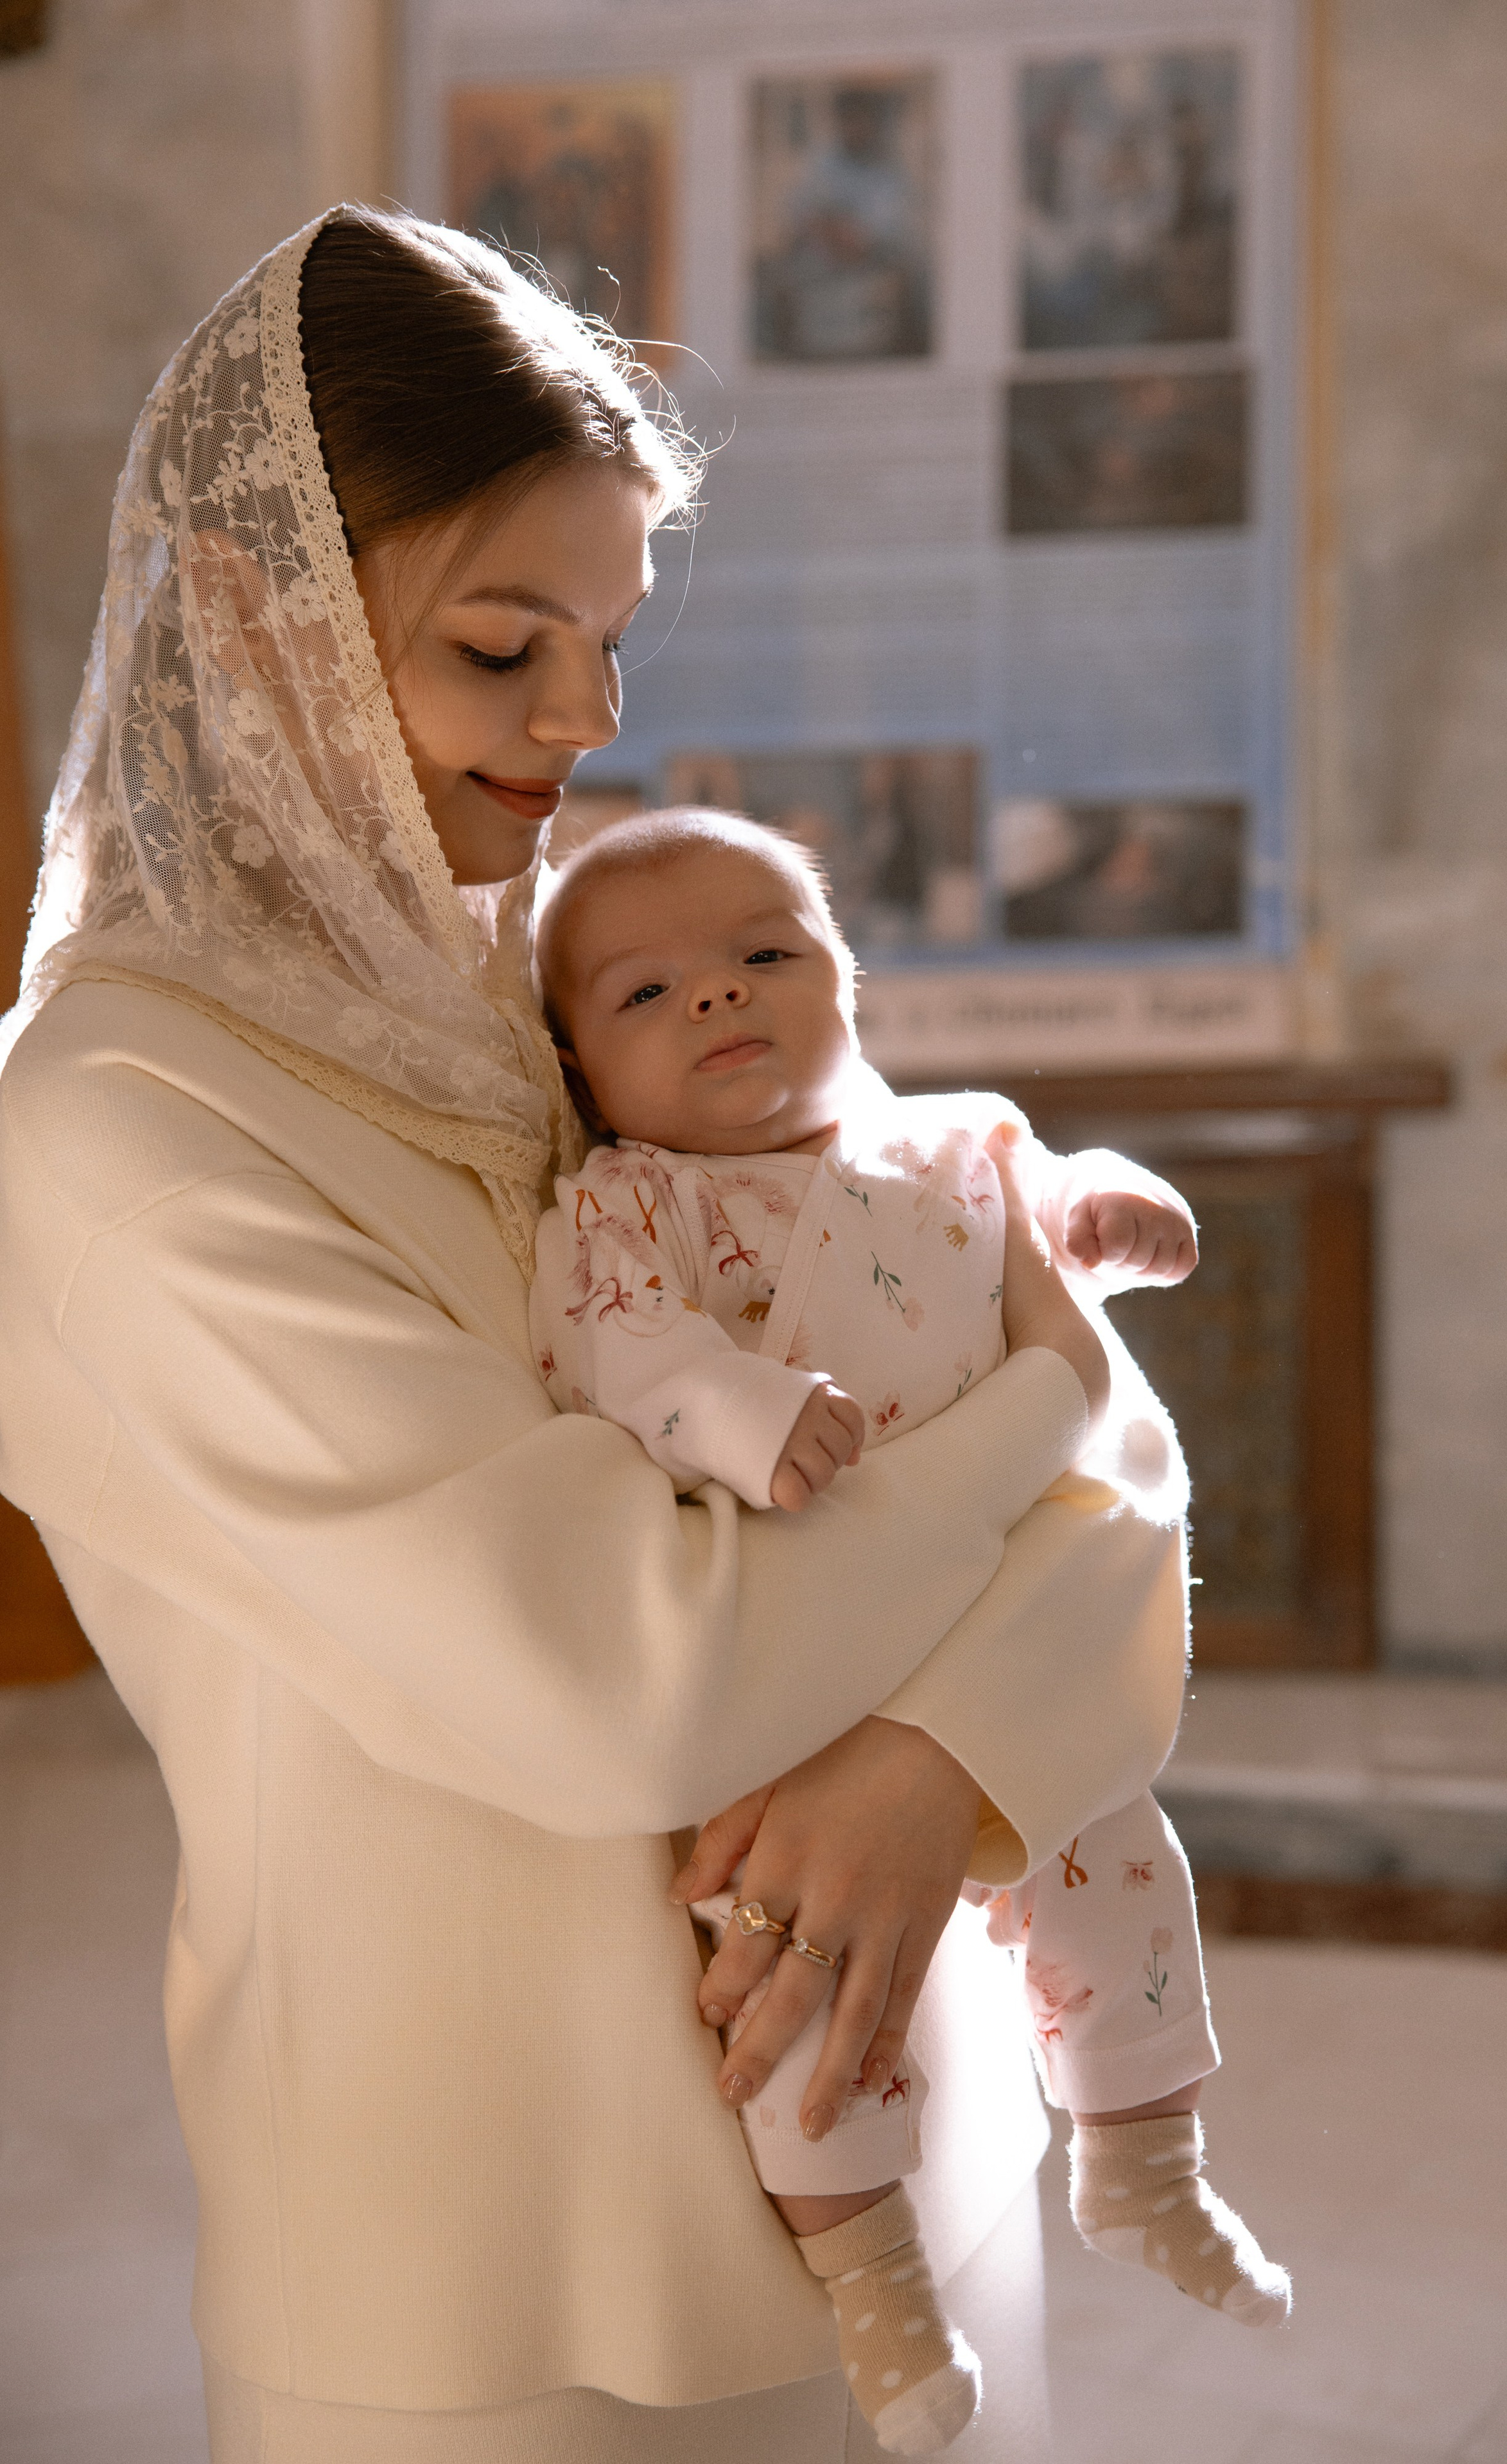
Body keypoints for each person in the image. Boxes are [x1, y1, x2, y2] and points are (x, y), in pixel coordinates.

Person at [0, 207, 1190, 2463]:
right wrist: (1048, 1385)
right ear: (253, 619)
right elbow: (623, 1677)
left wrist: (946, 1757)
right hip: (512, 2281)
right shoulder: (117, 1127)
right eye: (504, 641)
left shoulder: (568, 975)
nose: (590, 720)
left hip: (883, 2123)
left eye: (614, 634)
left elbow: (1093, 1463)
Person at [532, 810, 1292, 2452]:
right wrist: (728, 1405)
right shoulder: (628, 1205)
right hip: (801, 1663)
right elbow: (614, 1351)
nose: (717, 1000)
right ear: (584, 1070)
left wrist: (1111, 1201)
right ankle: (876, 2285)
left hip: (991, 1619)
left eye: (762, 955)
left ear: (848, 981)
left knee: (1113, 1859)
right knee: (791, 1978)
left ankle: (1141, 2158)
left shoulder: (962, 1141)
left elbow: (1057, 1217)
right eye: (646, 992)